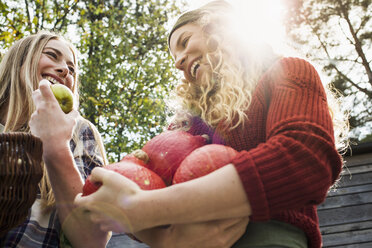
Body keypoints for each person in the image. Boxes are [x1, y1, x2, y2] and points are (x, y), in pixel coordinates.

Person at [74, 1, 349, 247]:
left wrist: (147, 208)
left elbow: (304, 158)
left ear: (219, 28)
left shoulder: (288, 70)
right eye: (175, 60)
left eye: (184, 42)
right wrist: (165, 238)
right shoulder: (189, 124)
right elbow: (148, 184)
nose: (179, 61)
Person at [0, 31, 111, 247]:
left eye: (71, 69)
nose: (64, 70)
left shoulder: (78, 133)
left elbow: (92, 240)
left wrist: (55, 145)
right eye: (52, 55)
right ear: (19, 62)